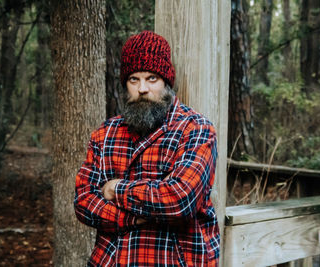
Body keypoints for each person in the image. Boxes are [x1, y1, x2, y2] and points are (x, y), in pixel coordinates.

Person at [74, 30, 220, 266]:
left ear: (166, 82)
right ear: (126, 84)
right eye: (134, 79)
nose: (142, 88)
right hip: (112, 260)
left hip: (172, 260)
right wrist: (134, 218)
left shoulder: (196, 129)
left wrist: (116, 189)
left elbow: (180, 200)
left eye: (152, 78)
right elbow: (83, 202)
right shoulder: (106, 132)